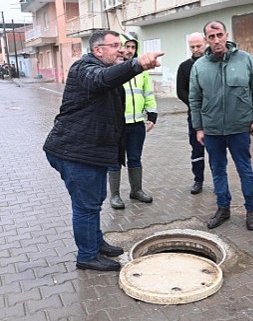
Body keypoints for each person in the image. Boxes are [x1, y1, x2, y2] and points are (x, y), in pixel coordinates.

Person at [43, 30, 163, 271]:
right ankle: (87, 256)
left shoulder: (101, 69)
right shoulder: (84, 68)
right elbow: (102, 78)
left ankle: (96, 243)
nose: (121, 49)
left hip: (90, 151)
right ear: (98, 50)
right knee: (86, 206)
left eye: (122, 45)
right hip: (75, 152)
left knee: (94, 201)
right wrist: (137, 63)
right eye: (115, 45)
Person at [189, 20, 253, 231]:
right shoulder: (199, 66)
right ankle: (223, 208)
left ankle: (252, 210)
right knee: (217, 170)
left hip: (240, 127)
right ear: (206, 39)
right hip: (212, 129)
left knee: (245, 170)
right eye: (211, 37)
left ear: (226, 35)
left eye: (219, 35)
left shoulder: (245, 60)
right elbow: (194, 99)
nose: (216, 40)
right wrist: (198, 127)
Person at [107, 34, 158, 209]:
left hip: (136, 124)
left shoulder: (141, 71)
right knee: (114, 160)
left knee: (135, 158)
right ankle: (114, 195)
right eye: (126, 46)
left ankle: (136, 190)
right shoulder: (110, 69)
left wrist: (152, 115)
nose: (129, 50)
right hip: (116, 126)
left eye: (133, 47)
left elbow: (148, 94)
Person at [176, 32, 207, 195]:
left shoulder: (214, 64)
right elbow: (180, 91)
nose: (195, 49)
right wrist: (195, 104)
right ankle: (198, 180)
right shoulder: (184, 67)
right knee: (196, 149)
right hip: (195, 116)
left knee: (217, 151)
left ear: (205, 43)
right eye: (192, 47)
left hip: (215, 116)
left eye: (198, 46)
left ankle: (219, 180)